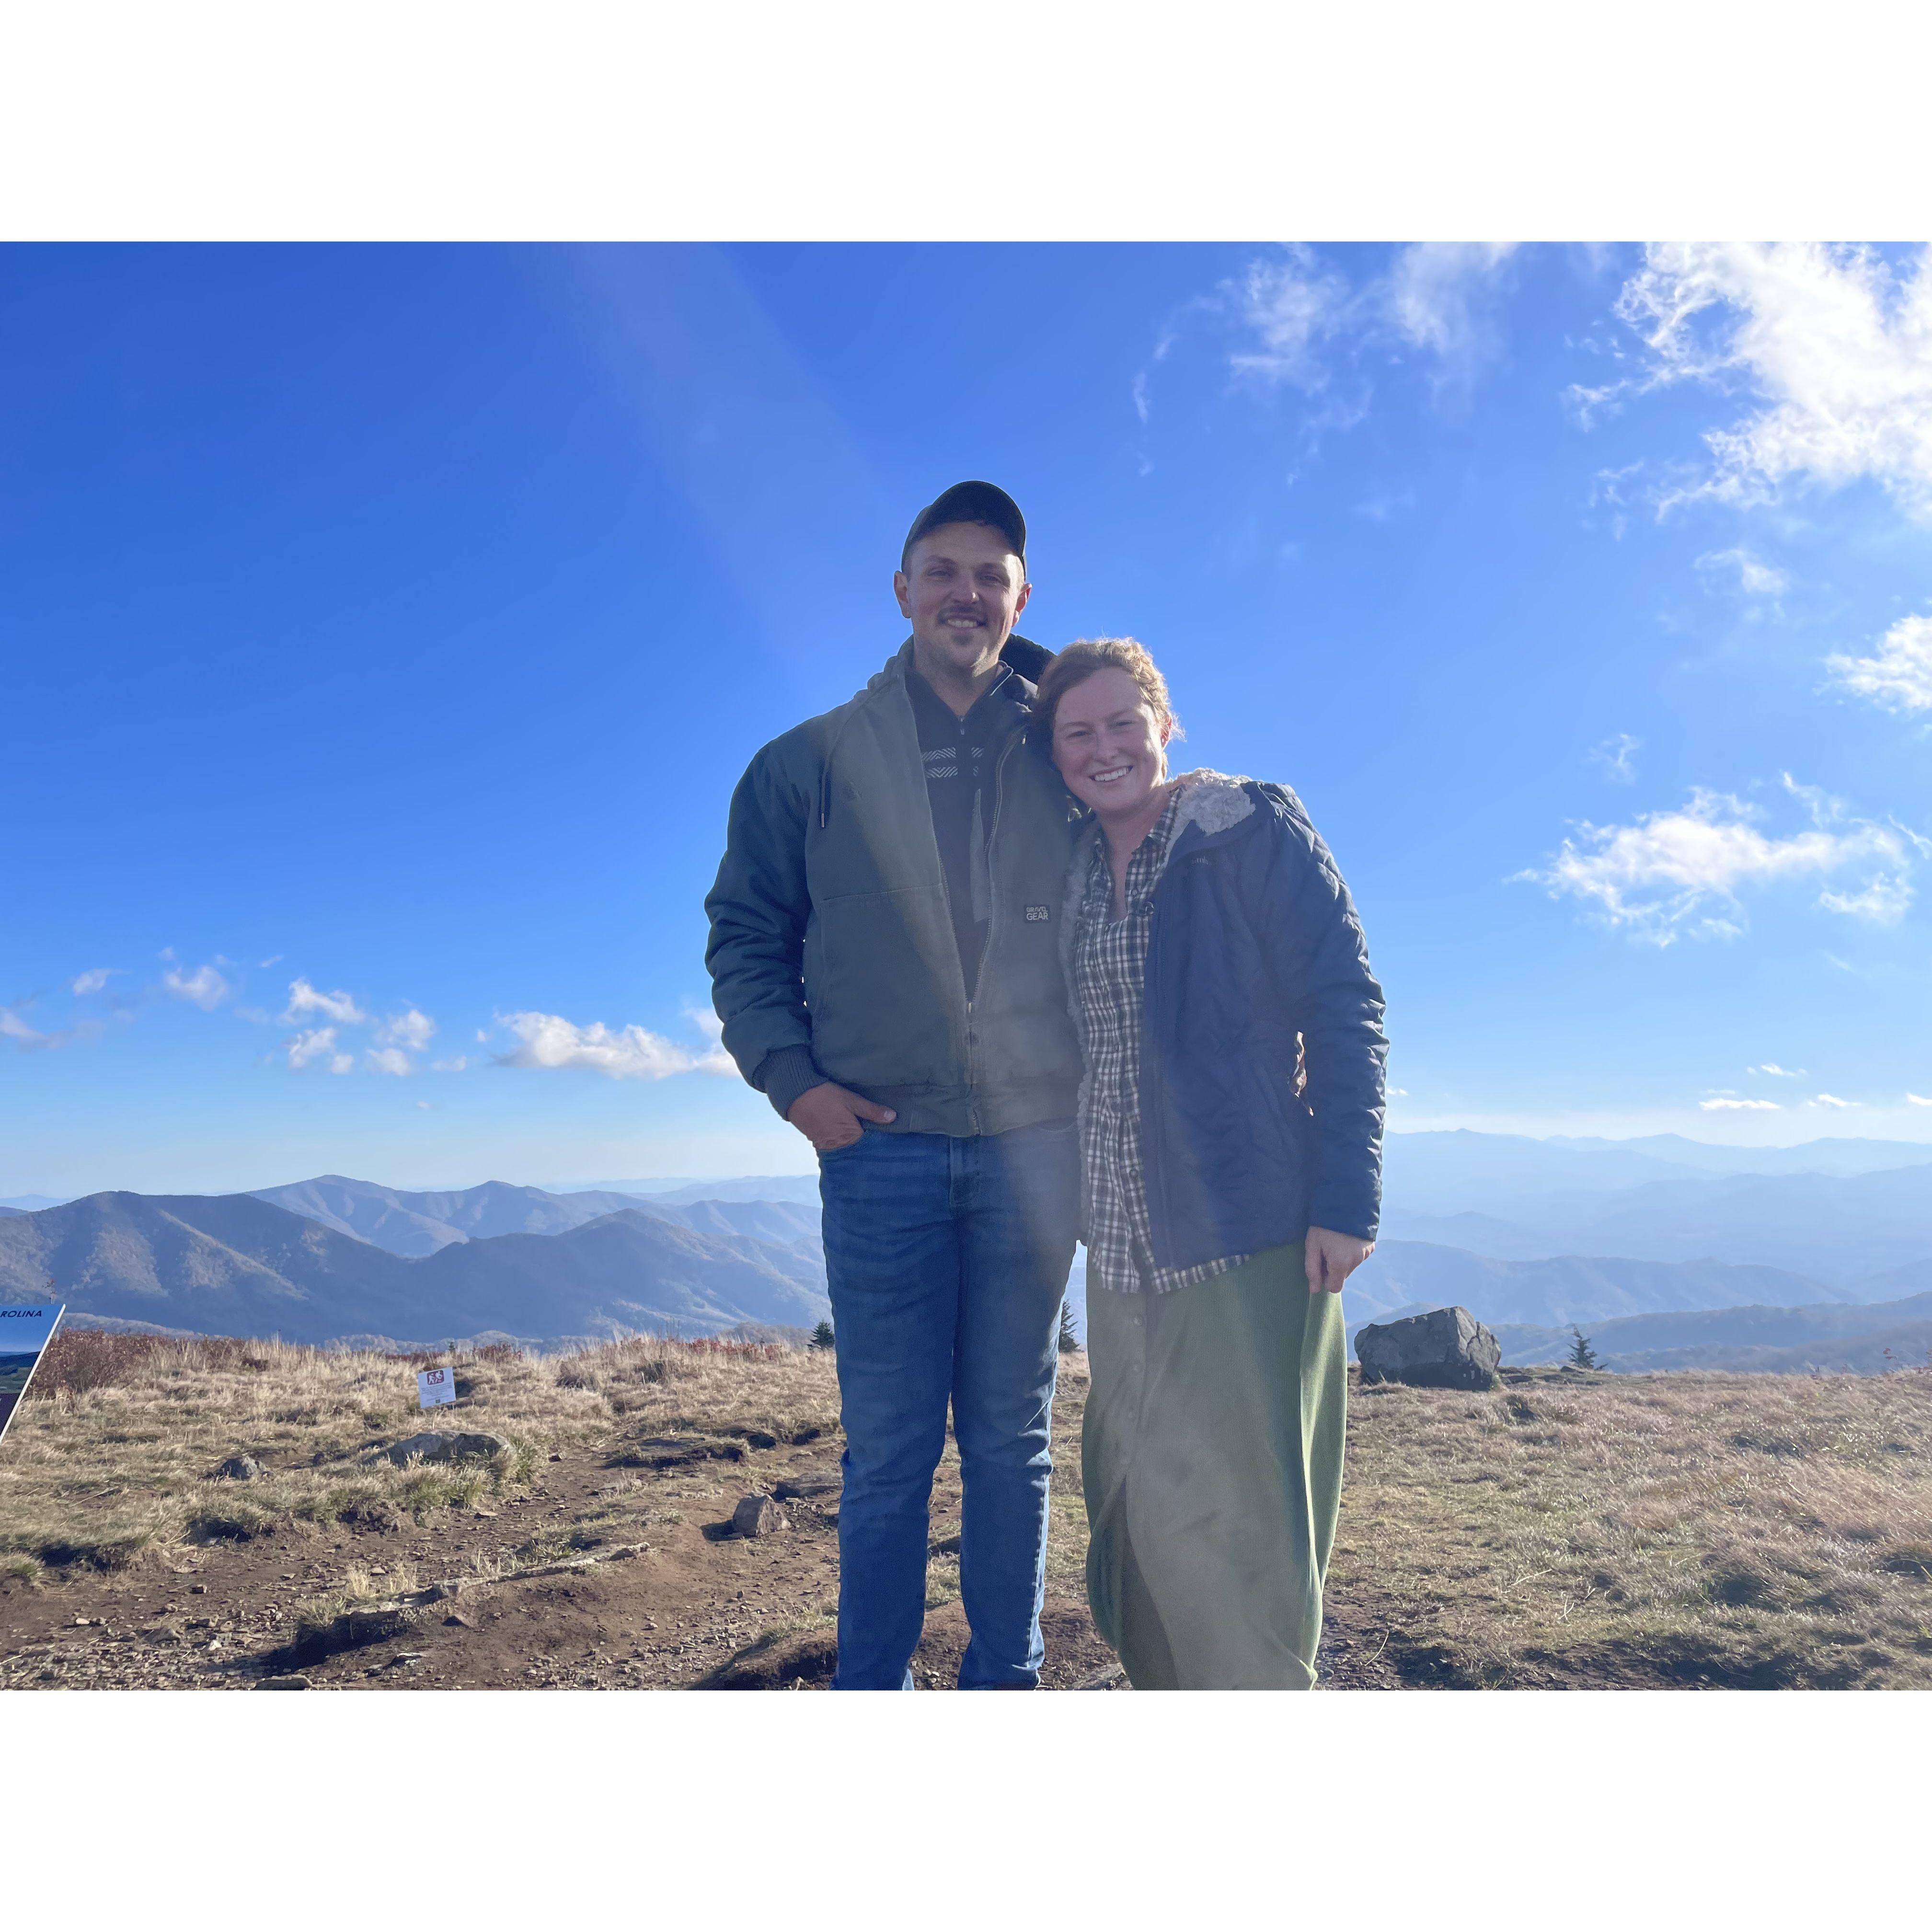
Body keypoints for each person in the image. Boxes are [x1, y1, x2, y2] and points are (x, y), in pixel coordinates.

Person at [704, 483, 1082, 1690]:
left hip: (1037, 1147)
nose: (967, 593)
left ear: (1021, 598)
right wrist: (794, 1085)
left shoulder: (1069, 750)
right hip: (882, 1147)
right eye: (944, 570)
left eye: (992, 574)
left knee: (1013, 1442)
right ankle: (875, 1688)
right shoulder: (807, 764)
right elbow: (745, 937)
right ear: (904, 590)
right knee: (889, 1453)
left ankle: (1002, 1682)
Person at [1036, 635, 1387, 1690]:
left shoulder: (1247, 827)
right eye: (1077, 734)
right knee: (1137, 1516)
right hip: (1124, 1257)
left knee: (1244, 1535)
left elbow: (1345, 1006)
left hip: (1249, 1237)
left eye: (1122, 726)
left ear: (1165, 724)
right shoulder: (1067, 866)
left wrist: (1346, 1195)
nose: (1104, 751)